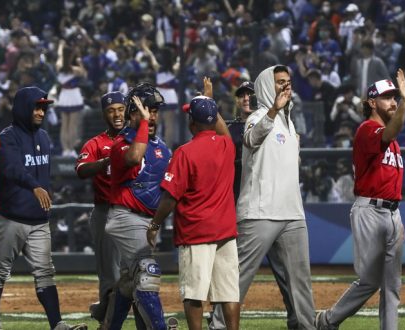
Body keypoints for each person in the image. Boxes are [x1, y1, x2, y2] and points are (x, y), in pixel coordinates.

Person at [212, 65, 316, 329]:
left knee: (299, 282)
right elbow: (251, 138)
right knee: (238, 278)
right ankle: (219, 325)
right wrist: (273, 109)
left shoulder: (290, 124)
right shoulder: (257, 116)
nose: (286, 85)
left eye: (288, 81)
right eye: (279, 81)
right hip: (259, 213)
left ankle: (304, 326)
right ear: (267, 87)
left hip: (292, 213)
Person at [316, 72, 405, 330]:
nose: (393, 102)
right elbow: (391, 132)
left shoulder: (389, 137)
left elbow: (392, 133)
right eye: (387, 98)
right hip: (370, 210)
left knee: (393, 286)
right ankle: (328, 320)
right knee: (370, 280)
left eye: (395, 97)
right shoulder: (367, 130)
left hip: (393, 212)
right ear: (372, 102)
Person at [0, 86, 86, 330]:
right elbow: (11, 169)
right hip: (11, 218)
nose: (41, 111)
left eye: (44, 107)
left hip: (39, 220)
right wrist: (35, 186)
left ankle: (57, 324)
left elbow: (43, 174)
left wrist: (44, 189)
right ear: (23, 107)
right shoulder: (8, 137)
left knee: (45, 272)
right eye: (37, 106)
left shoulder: (43, 136)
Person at [147, 95, 240, 330]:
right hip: (226, 231)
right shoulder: (227, 145)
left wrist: (155, 224)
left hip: (196, 231)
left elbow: (170, 197)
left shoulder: (184, 152)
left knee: (194, 294)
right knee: (228, 293)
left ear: (192, 123)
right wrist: (211, 102)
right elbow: (223, 132)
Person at [102, 83, 171, 329]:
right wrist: (141, 123)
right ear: (132, 113)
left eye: (154, 111)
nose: (150, 116)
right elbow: (134, 157)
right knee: (147, 272)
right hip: (125, 218)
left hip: (149, 221)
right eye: (144, 111)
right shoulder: (121, 142)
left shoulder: (162, 147)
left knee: (130, 282)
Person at [76, 91, 125, 324]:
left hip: (132, 212)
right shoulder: (96, 143)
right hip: (105, 211)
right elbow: (81, 169)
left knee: (139, 273)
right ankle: (107, 318)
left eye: (120, 109)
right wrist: (106, 161)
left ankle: (107, 313)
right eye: (111, 110)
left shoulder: (137, 138)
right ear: (104, 114)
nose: (116, 114)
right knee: (109, 276)